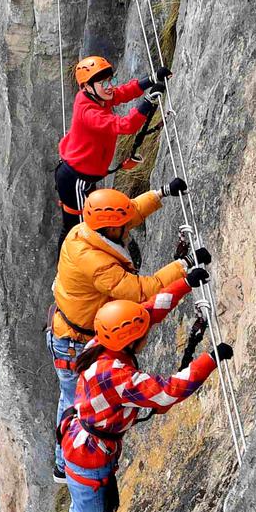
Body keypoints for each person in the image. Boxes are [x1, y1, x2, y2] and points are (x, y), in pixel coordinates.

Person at [51, 299, 231, 512]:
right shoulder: (117, 376)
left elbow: (142, 314)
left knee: (84, 510)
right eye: (141, 337)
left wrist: (185, 283)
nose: (146, 337)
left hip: (81, 443)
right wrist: (210, 359)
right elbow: (166, 392)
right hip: (89, 457)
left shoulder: (100, 344)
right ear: (130, 342)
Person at [45, 184, 209, 479]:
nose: (127, 230)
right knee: (74, 402)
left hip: (70, 333)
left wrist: (160, 194)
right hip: (74, 341)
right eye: (121, 228)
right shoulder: (95, 262)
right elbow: (140, 291)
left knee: (68, 394)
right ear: (109, 230)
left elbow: (126, 213)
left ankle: (61, 462)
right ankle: (65, 463)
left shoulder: (88, 232)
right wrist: (183, 266)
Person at [53, 56, 169, 234]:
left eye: (111, 80)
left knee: (82, 224)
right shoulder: (89, 112)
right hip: (76, 179)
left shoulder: (96, 96)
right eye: (103, 83)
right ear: (86, 87)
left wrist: (151, 79)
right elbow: (124, 126)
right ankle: (76, 259)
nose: (109, 86)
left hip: (81, 175)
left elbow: (121, 92)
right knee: (80, 230)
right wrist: (147, 103)